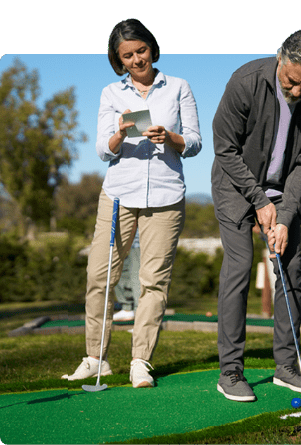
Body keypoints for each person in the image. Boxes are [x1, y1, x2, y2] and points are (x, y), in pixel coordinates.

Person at [62, 18, 202, 388]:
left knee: (153, 282)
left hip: (166, 196)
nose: (136, 59)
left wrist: (169, 136)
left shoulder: (179, 88)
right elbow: (101, 150)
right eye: (127, 55)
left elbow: (195, 143)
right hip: (119, 195)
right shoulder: (111, 93)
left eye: (141, 50)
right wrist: (119, 133)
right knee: (99, 275)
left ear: (152, 49)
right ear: (118, 60)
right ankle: (96, 358)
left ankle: (141, 361)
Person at [211, 28, 301, 402]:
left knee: (291, 269)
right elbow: (224, 148)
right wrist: (259, 201)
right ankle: (230, 371)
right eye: (292, 81)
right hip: (235, 185)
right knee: (239, 267)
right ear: (280, 59)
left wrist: (283, 214)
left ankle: (286, 367)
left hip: (283, 191)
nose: (297, 92)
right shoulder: (245, 81)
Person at [113, 229, 140, 322]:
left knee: (137, 278)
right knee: (121, 272)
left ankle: (139, 317)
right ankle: (127, 308)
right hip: (128, 240)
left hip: (140, 242)